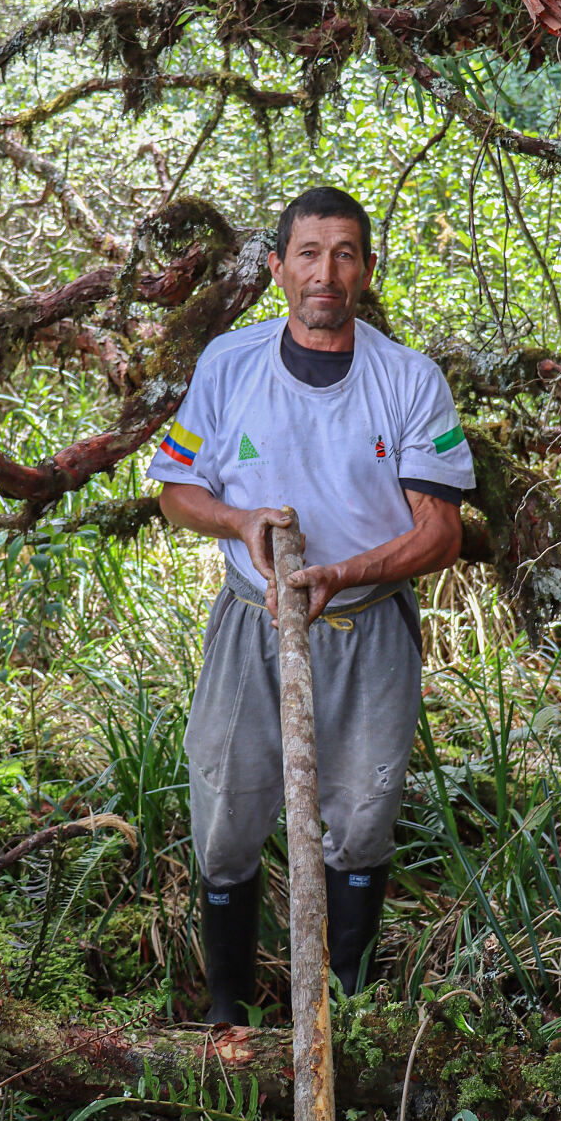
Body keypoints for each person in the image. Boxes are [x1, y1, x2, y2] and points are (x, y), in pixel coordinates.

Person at [147, 186, 475, 1022]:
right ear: (276, 268)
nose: (325, 272)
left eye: (344, 253)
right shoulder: (229, 363)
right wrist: (239, 519)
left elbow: (440, 533)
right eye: (307, 253)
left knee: (362, 819)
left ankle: (340, 1015)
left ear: (365, 269)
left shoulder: (408, 379)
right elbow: (175, 491)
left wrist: (346, 571)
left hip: (368, 628)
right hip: (252, 622)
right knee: (225, 811)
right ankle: (226, 1014)